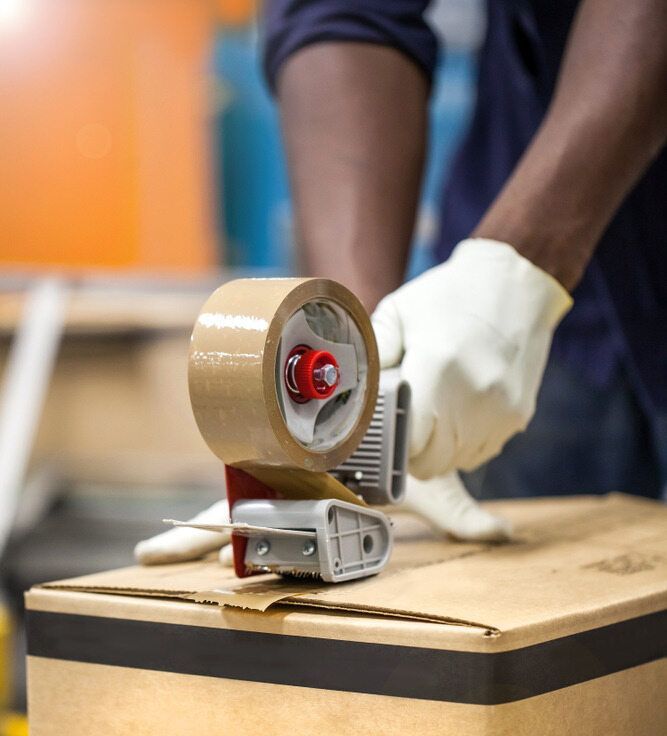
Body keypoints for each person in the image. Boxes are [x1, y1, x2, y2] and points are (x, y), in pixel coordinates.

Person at [136, 0, 666, 566]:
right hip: (530, 319)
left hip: (548, 234)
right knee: (532, 604)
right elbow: (345, 11)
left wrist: (519, 267)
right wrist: (357, 387)